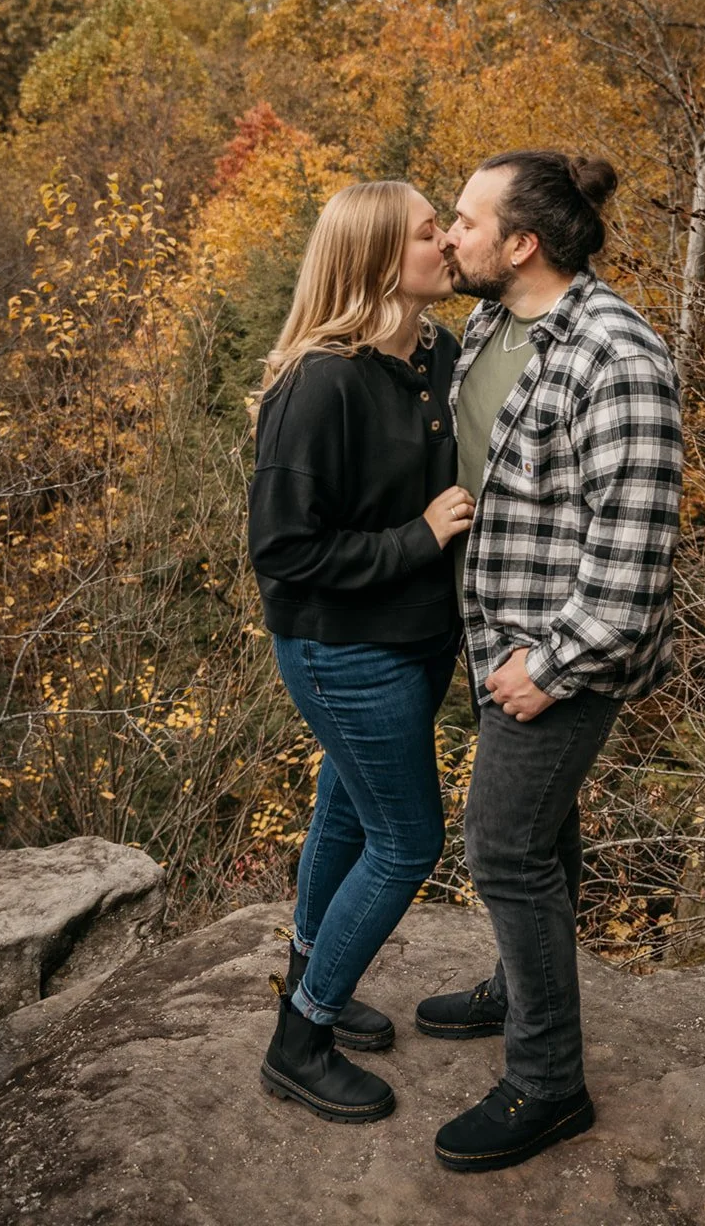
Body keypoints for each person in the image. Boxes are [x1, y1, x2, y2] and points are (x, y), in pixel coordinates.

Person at [418, 150, 683, 1172]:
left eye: (465, 220)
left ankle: (548, 1081)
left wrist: (552, 665)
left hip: (560, 656)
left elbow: (632, 557)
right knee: (543, 831)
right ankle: (517, 983)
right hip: (494, 636)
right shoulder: (493, 325)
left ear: (522, 243)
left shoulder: (618, 354)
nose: (450, 233)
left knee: (502, 845)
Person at [248, 179, 474, 1124]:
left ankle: (318, 981)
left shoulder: (437, 354)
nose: (448, 242)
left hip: (417, 642)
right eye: (428, 233)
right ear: (380, 258)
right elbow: (283, 551)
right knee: (407, 841)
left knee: (344, 815)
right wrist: (415, 540)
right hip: (343, 651)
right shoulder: (320, 382)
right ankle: (300, 1039)